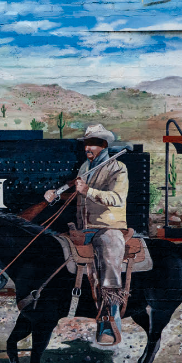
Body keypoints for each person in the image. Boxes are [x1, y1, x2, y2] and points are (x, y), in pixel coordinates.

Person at [44, 124, 129, 346]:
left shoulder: (118, 168)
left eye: (92, 144)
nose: (87, 148)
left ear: (103, 145)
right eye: (86, 144)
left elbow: (117, 198)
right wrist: (56, 197)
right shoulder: (85, 167)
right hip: (84, 228)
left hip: (108, 227)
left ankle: (110, 323)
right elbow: (77, 198)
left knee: (109, 256)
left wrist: (87, 190)